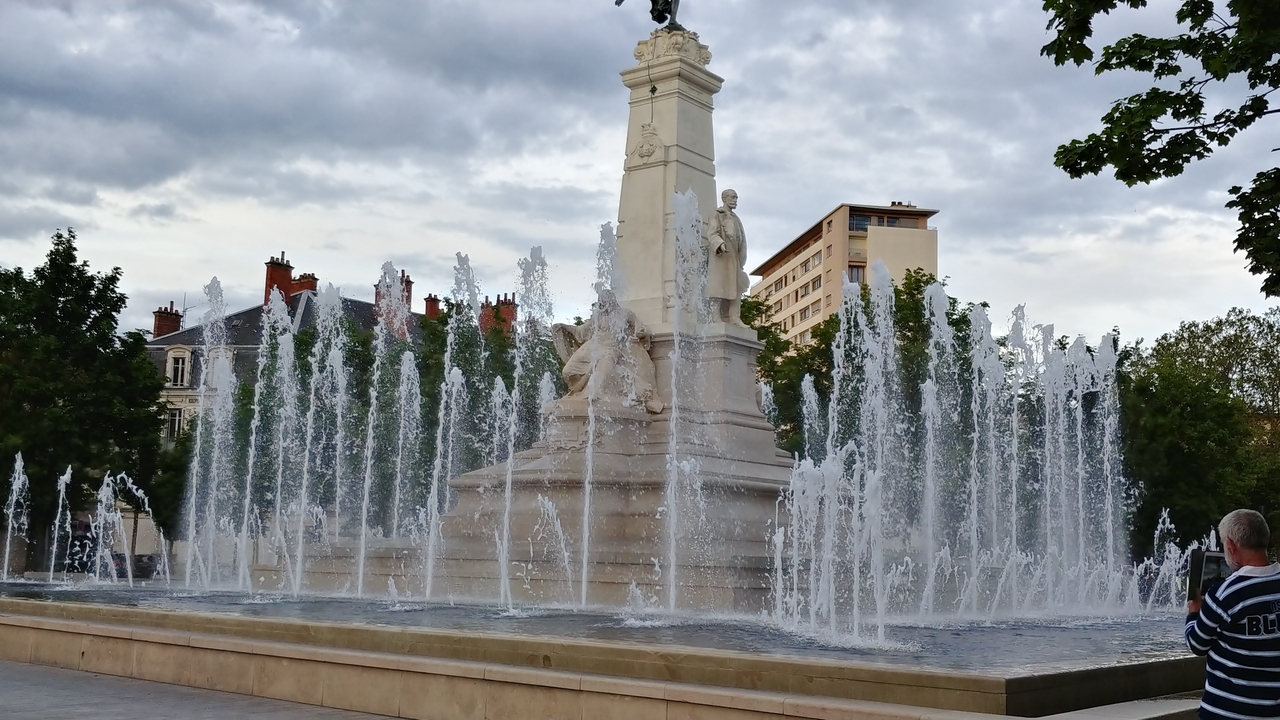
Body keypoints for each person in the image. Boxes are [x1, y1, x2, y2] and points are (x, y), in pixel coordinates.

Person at [1186, 509, 1280, 720]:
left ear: (1230, 544)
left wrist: (1194, 614)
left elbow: (1197, 644)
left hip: (1229, 711)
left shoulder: (1225, 593)